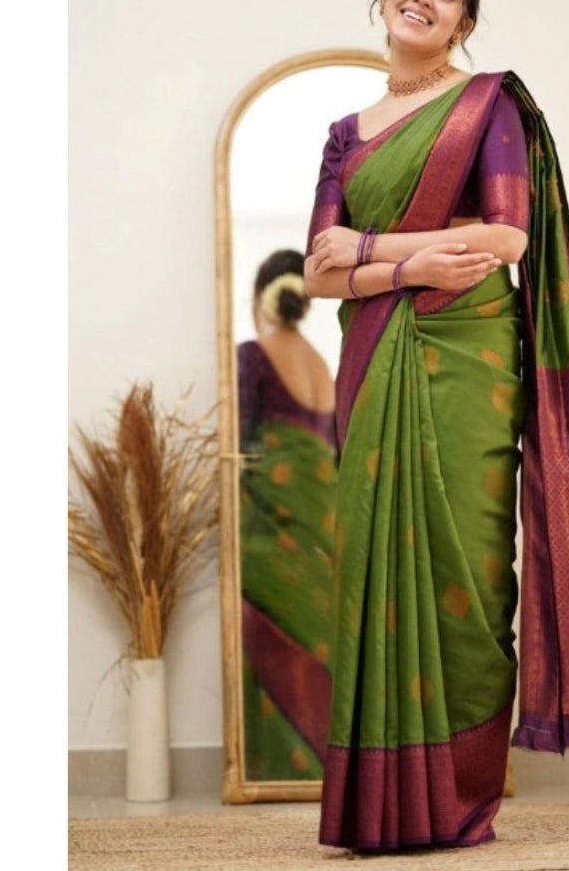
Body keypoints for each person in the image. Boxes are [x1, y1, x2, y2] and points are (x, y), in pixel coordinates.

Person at [305, 0, 569, 851]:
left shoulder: (487, 104)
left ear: (463, 21)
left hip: (469, 356)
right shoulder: (346, 134)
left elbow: (505, 238)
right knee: (374, 560)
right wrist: (403, 268)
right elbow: (317, 273)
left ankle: (459, 798)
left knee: (470, 565)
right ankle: (382, 806)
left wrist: (373, 249)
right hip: (376, 354)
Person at [236, 250, 338, 781]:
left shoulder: (252, 357)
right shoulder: (324, 368)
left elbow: (235, 449)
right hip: (322, 542)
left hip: (269, 545)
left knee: (267, 649)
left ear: (259, 300)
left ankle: (274, 773)